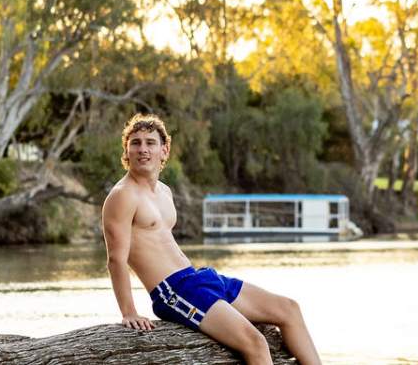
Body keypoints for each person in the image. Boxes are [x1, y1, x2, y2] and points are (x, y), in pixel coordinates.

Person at [101, 114, 322, 365]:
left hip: (198, 278)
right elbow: (116, 260)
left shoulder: (164, 191)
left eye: (150, 143)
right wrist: (129, 312)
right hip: (173, 291)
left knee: (289, 309)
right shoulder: (122, 195)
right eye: (135, 143)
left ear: (164, 151)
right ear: (126, 151)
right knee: (256, 343)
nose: (143, 149)